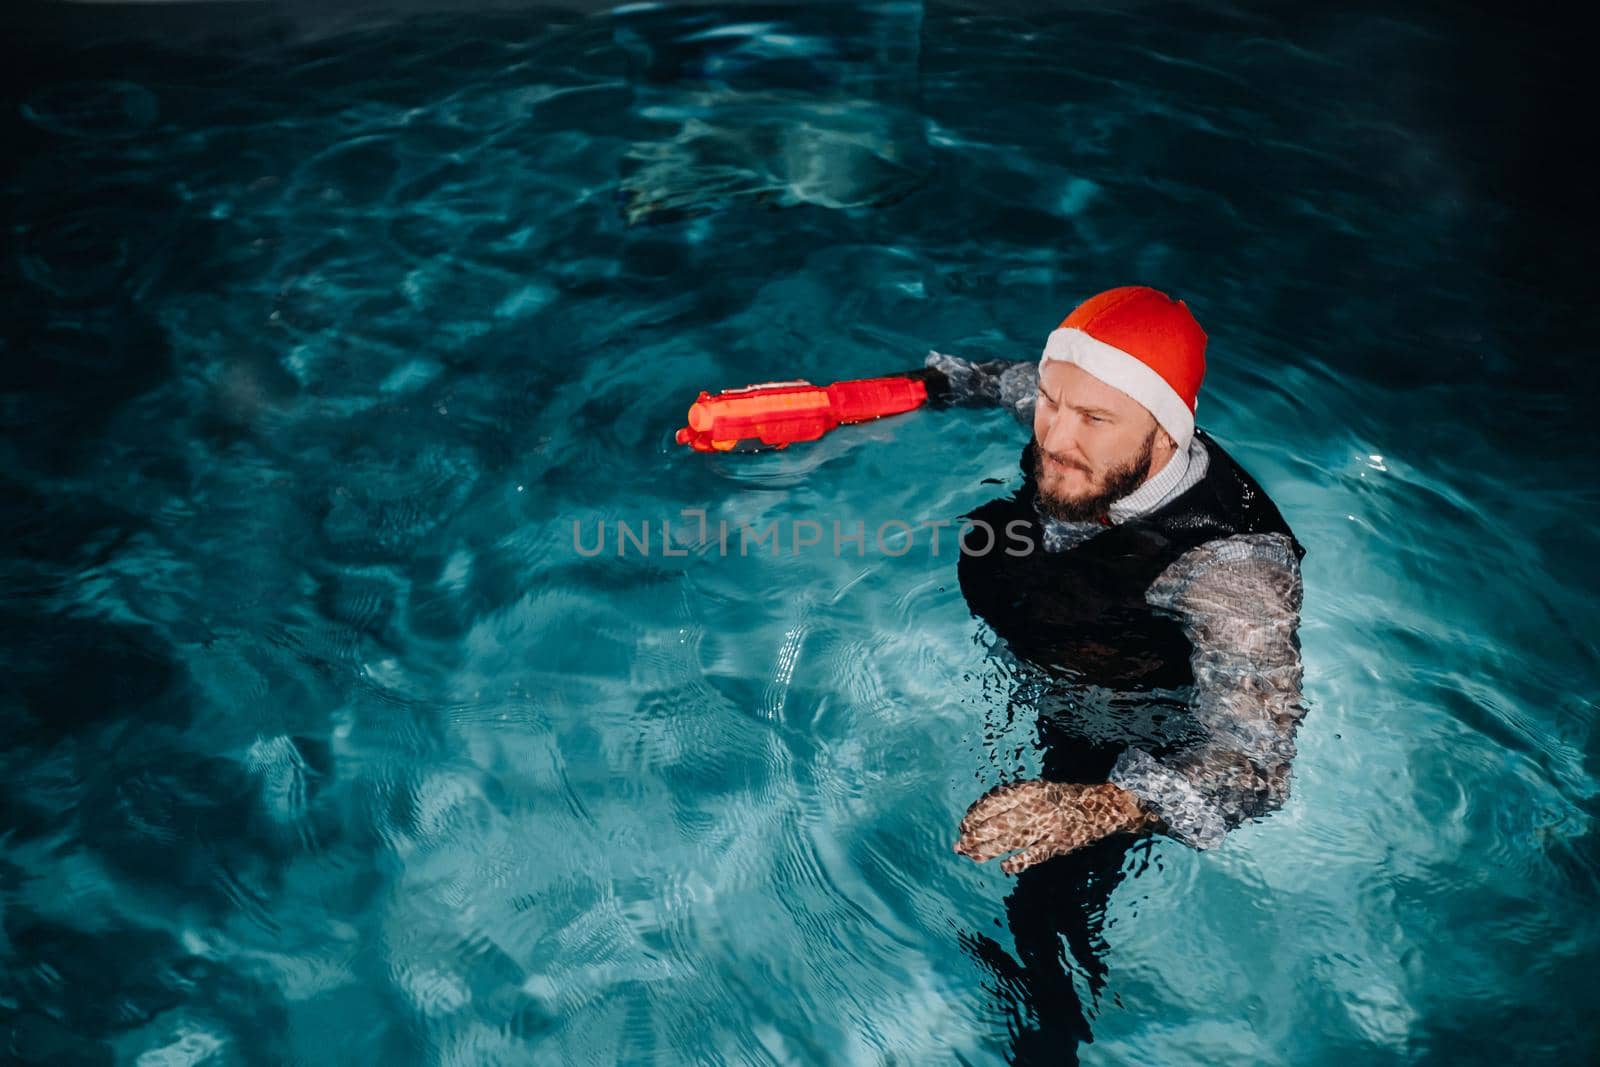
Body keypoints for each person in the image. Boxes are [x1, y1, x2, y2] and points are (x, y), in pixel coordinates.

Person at [913, 285, 1308, 1063]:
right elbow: (1007, 380)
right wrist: (892, 397)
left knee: (1044, 909)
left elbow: (1259, 764)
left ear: (1165, 429)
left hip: (1125, 719)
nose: (1056, 435)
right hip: (1055, 629)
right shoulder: (1074, 403)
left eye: (1093, 420)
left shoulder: (1234, 572)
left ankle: (1051, 1036)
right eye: (1054, 404)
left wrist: (1102, 806)